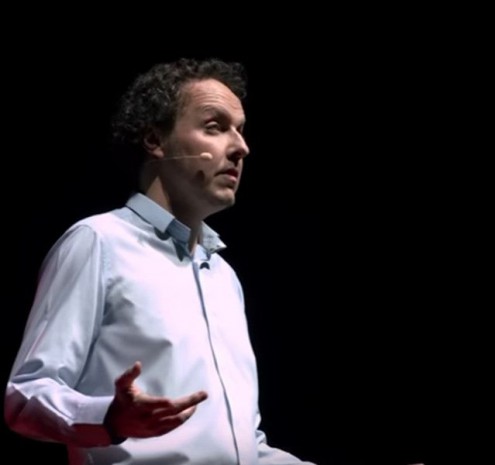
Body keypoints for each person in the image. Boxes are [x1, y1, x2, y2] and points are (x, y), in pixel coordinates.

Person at [5, 57, 316, 465]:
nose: (241, 147)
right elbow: (26, 395)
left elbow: (243, 447)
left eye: (240, 130)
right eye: (215, 126)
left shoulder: (224, 276)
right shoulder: (99, 242)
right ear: (156, 139)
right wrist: (108, 418)